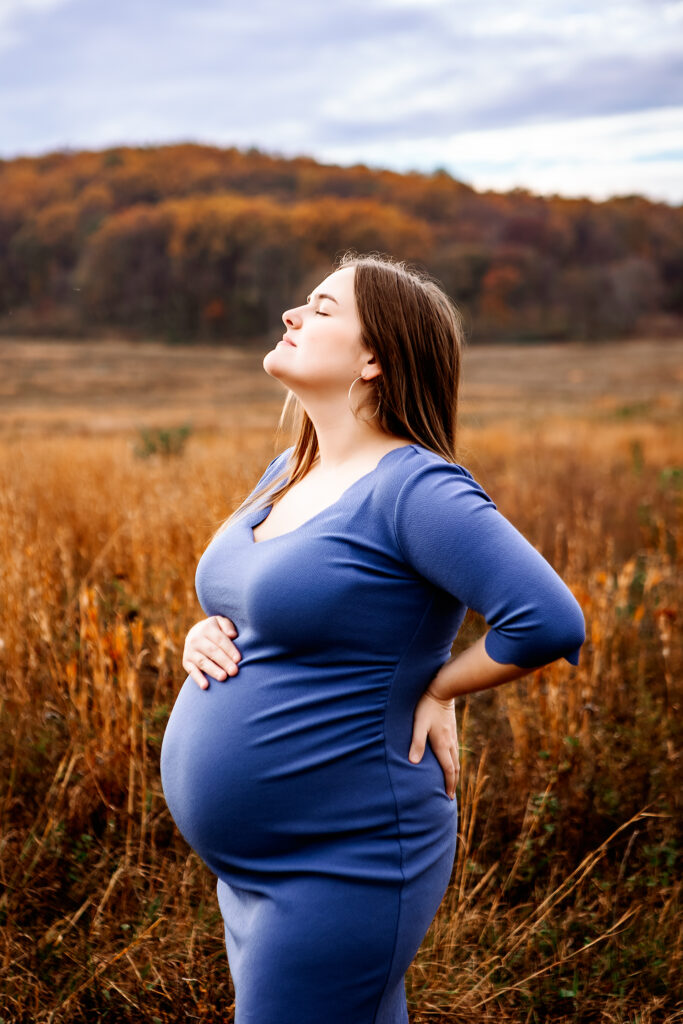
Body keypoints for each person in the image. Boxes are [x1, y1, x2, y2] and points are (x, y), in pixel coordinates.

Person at [160, 251, 585, 1024]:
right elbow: (273, 602)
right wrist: (205, 634)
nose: (292, 314)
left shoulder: (417, 489)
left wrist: (437, 686)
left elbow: (547, 619)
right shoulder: (288, 469)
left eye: (321, 309)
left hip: (341, 856)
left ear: (373, 359)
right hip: (254, 865)